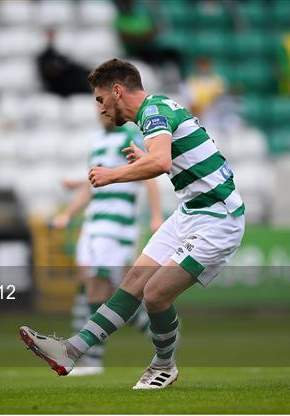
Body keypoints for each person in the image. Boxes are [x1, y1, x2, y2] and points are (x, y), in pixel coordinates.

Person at [20, 59, 245, 389]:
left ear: (116, 90)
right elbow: (172, 160)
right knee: (134, 281)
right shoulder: (155, 112)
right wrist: (150, 161)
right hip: (192, 212)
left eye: (100, 99)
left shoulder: (153, 112)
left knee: (154, 295)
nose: (101, 109)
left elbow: (162, 160)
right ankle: (70, 350)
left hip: (219, 218)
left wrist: (113, 174)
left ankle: (164, 365)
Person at [52, 112, 164, 376]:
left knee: (98, 287)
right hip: (93, 225)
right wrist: (69, 214)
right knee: (93, 288)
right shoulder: (97, 140)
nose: (101, 111)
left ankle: (92, 360)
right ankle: (153, 329)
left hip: (116, 227)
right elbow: (93, 184)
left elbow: (148, 173)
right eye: (98, 106)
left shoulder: (129, 136)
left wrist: (157, 215)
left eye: (105, 105)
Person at [36, 28, 92, 97]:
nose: (52, 37)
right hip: (58, 87)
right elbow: (49, 73)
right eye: (50, 34)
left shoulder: (59, 54)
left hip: (68, 84)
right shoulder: (42, 57)